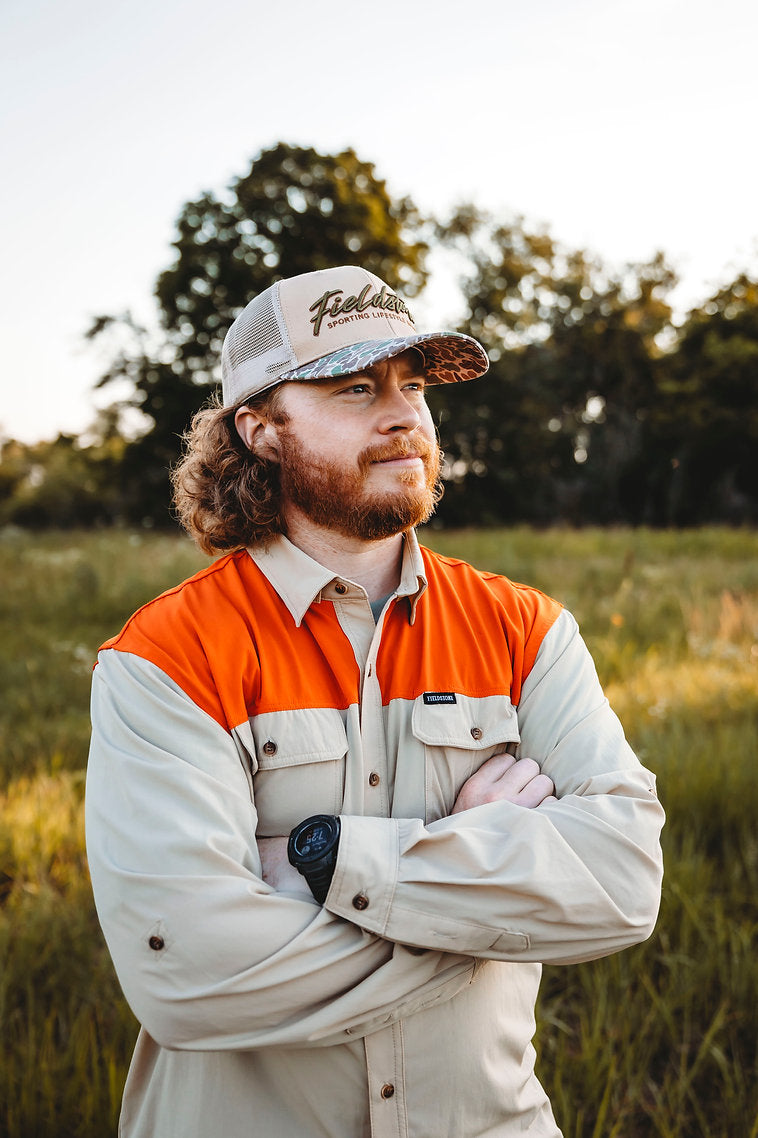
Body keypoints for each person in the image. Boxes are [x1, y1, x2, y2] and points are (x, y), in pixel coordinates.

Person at [85, 264, 665, 1138]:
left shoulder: (526, 630)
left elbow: (623, 884)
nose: (403, 416)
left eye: (414, 385)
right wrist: (481, 895)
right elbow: (189, 976)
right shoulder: (168, 656)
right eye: (356, 387)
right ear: (261, 429)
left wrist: (325, 862)